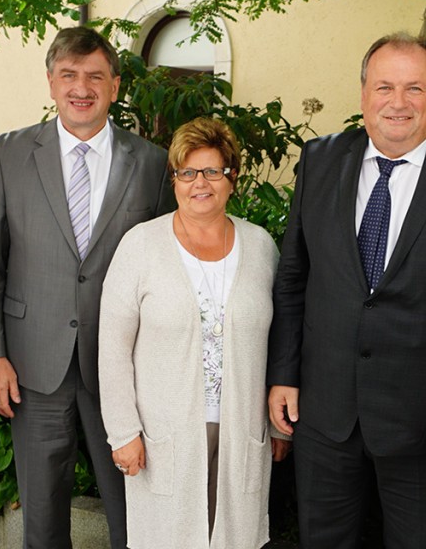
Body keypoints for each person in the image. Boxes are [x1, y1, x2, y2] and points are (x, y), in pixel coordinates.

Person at [267, 32, 426, 548]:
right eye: (385, 87)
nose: (398, 103)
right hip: (325, 412)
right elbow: (293, 279)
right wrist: (284, 374)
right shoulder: (318, 161)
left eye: (414, 88)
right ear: (363, 94)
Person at [0, 27, 174, 548]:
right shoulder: (10, 152)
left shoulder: (152, 163)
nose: (80, 87)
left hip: (123, 368)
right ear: (50, 82)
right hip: (32, 363)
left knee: (136, 509)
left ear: (115, 85)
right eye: (68, 75)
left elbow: (166, 270)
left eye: (94, 76)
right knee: (41, 516)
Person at [99, 117, 291, 549]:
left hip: (242, 428)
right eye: (187, 172)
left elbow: (282, 339)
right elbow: (112, 347)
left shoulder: (261, 247)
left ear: (232, 178)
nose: (199, 183)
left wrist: (278, 428)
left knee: (235, 537)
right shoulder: (140, 245)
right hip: (162, 434)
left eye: (212, 171)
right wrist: (123, 431)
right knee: (167, 537)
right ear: (174, 180)